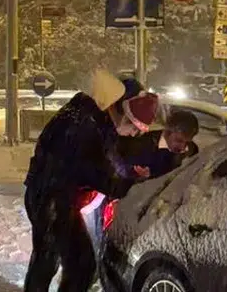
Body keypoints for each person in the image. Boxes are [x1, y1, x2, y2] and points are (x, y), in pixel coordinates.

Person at [23, 70, 159, 292]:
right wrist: (133, 185)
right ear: (121, 110)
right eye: (134, 127)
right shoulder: (85, 125)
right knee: (74, 263)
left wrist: (129, 174)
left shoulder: (94, 118)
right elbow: (98, 172)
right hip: (51, 199)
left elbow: (109, 159)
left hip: (53, 196)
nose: (134, 134)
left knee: (55, 261)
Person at [117, 109, 201, 180]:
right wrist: (146, 175)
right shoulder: (142, 145)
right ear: (167, 131)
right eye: (179, 140)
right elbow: (124, 173)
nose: (183, 147)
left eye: (187, 142)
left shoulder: (192, 150)